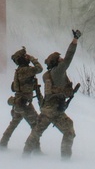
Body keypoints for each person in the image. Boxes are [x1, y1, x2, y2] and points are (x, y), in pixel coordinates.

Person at [23, 30, 82, 159]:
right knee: (69, 131)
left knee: (37, 132)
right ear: (57, 63)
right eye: (59, 59)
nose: (62, 60)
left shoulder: (48, 75)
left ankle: (25, 155)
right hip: (54, 110)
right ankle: (65, 158)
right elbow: (69, 57)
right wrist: (75, 40)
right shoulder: (58, 72)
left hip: (48, 109)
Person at [0, 46, 42, 150]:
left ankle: (3, 145)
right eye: (25, 56)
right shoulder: (25, 70)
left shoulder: (19, 71)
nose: (27, 58)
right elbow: (39, 69)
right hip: (24, 103)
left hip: (18, 103)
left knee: (13, 124)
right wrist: (32, 58)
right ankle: (34, 149)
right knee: (36, 125)